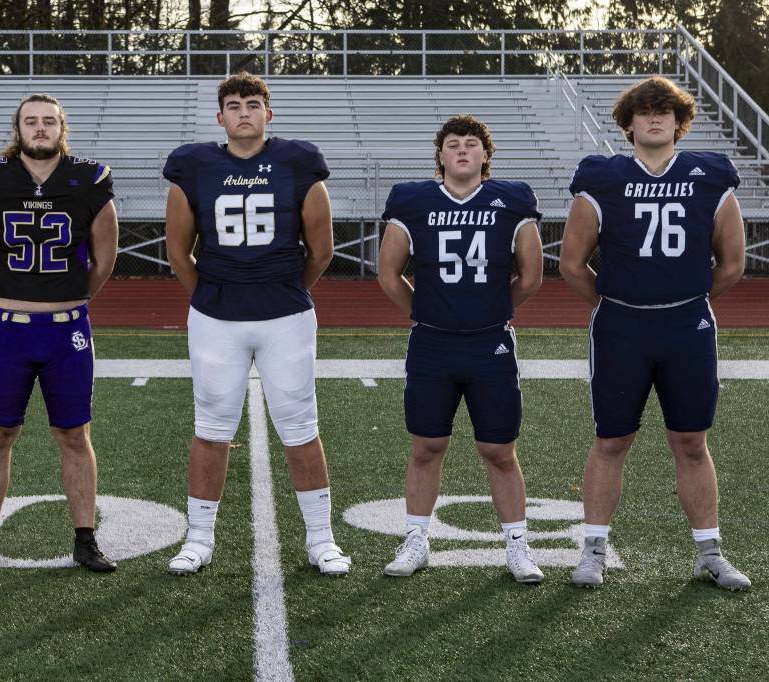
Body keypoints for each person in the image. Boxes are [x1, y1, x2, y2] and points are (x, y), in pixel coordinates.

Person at [560, 76, 750, 590]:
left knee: (691, 440)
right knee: (611, 439)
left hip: (686, 323)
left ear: (679, 121)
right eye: (643, 110)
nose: (654, 116)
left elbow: (732, 263)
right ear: (628, 124)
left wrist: (685, 298)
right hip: (622, 325)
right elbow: (572, 264)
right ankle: (594, 548)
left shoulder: (708, 175)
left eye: (664, 109)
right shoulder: (601, 177)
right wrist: (617, 303)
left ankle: (708, 551)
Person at [162, 72, 349, 576]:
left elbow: (322, 249)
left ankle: (321, 539)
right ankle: (198, 538)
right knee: (211, 428)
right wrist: (209, 295)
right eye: (233, 105)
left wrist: (284, 288)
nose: (243, 111)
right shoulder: (193, 166)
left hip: (285, 314)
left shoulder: (298, 162)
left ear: (269, 113)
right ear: (219, 117)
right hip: (216, 316)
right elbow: (179, 252)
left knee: (300, 427)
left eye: (252, 103)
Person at [0, 93, 119, 574]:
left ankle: (85, 539)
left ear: (62, 127)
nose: (40, 129)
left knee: (73, 433)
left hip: (67, 331)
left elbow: (105, 256)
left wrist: (70, 298)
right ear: (18, 129)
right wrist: (8, 297)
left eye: (49, 121)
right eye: (32, 121)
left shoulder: (89, 177)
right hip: (7, 331)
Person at [377, 115, 546, 582]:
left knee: (500, 450)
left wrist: (489, 310)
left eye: (472, 144)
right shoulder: (412, 201)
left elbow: (531, 276)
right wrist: (428, 311)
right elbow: (389, 274)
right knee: (426, 446)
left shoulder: (511, 201)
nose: (462, 151)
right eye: (453, 145)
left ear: (486, 155)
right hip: (432, 342)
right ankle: (416, 538)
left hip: (490, 342)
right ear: (441, 155)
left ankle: (517, 544)